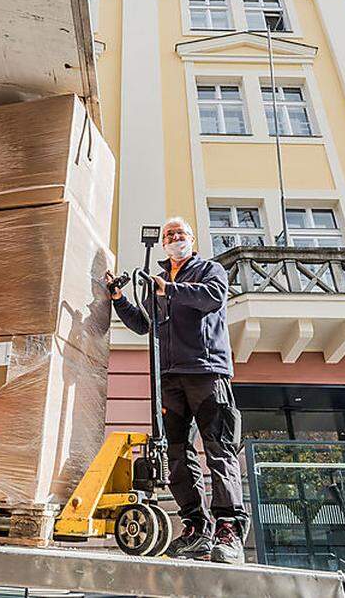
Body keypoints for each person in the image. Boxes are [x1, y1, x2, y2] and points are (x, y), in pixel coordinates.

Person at [104, 217, 248, 564]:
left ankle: (228, 529)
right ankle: (195, 527)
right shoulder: (158, 284)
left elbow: (213, 298)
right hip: (168, 377)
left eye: (179, 234)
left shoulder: (208, 270)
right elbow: (144, 325)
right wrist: (120, 298)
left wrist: (169, 289)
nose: (173, 239)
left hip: (206, 371)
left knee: (219, 449)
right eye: (169, 235)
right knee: (177, 455)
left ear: (191, 239)